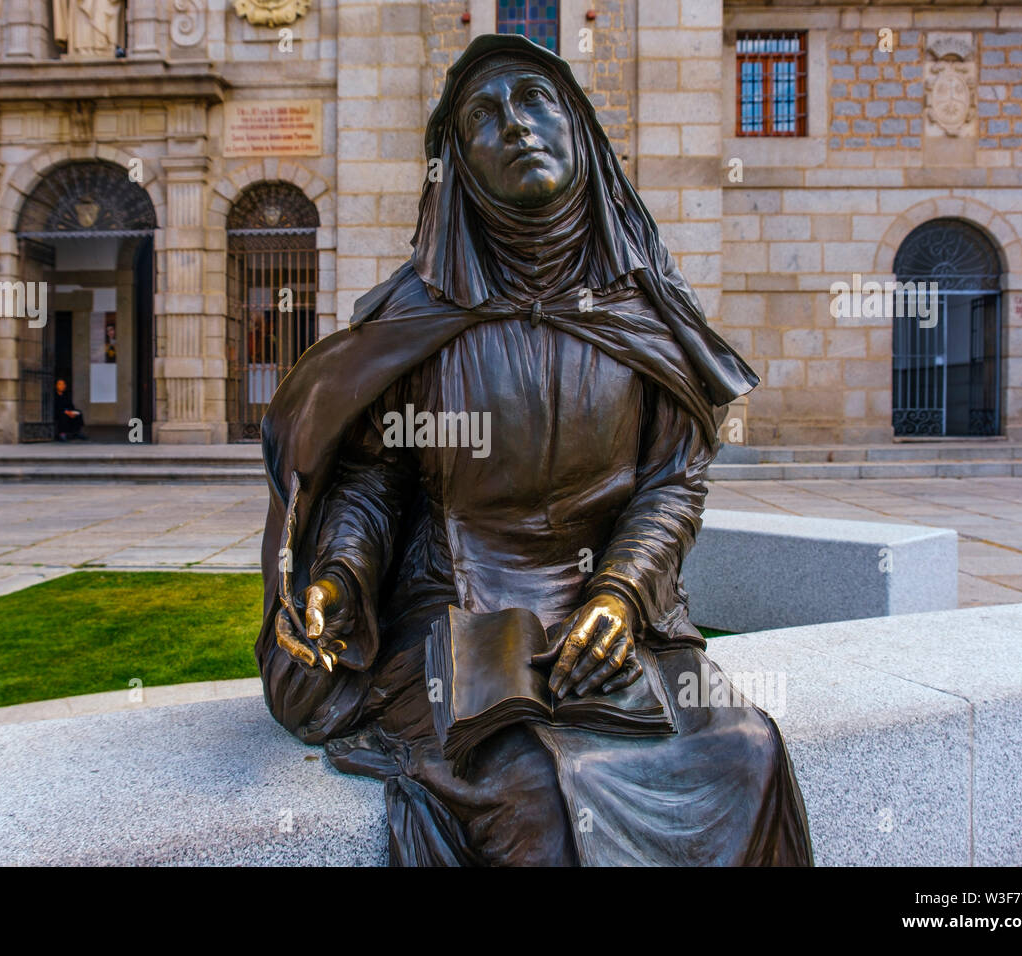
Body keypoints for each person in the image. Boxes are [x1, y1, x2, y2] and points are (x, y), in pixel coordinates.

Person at [256, 34, 812, 866]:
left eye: (534, 100)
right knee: (536, 790)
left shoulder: (647, 313)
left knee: (746, 753)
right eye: (483, 115)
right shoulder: (418, 318)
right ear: (459, 164)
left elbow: (670, 486)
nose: (514, 126)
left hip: (614, 610)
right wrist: (338, 577)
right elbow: (374, 484)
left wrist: (621, 596)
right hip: (457, 609)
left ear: (580, 130)